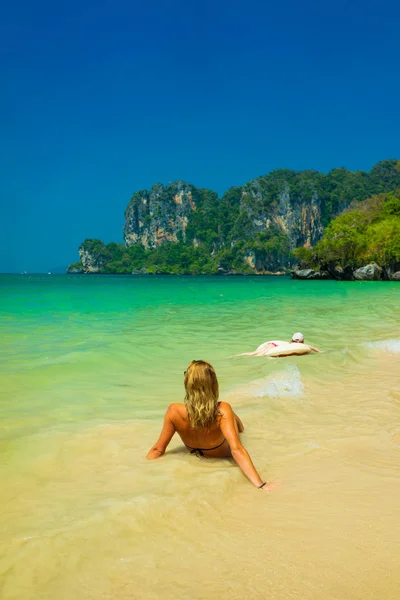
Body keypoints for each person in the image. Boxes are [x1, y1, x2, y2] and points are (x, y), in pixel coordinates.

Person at [146, 360, 276, 491]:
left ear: (188, 384)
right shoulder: (222, 410)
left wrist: (146, 477)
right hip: (222, 451)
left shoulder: (173, 411)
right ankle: (233, 417)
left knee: (234, 420)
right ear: (213, 384)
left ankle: (234, 418)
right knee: (230, 415)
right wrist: (261, 485)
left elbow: (157, 450)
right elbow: (236, 450)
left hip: (206, 438)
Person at [235, 331, 320, 357]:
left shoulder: (291, 343)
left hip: (272, 345)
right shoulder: (300, 345)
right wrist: (320, 352)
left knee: (253, 353)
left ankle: (237, 356)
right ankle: (237, 357)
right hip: (272, 346)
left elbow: (313, 348)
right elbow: (313, 348)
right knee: (257, 355)